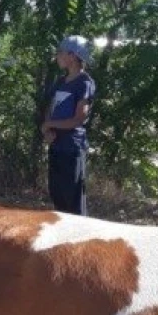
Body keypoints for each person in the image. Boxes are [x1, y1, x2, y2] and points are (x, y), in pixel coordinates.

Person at [42, 35, 97, 216]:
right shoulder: (60, 81)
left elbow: (78, 119)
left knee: (72, 199)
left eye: (61, 53)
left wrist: (49, 123)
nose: (57, 56)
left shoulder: (84, 83)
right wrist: (48, 130)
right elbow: (52, 107)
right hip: (56, 145)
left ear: (72, 56)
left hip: (72, 148)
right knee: (57, 195)